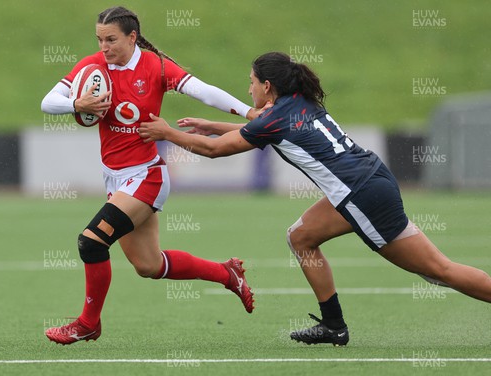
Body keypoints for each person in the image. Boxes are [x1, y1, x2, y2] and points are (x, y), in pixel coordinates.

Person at [139, 51, 491, 346]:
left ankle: (335, 325)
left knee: (437, 271)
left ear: (267, 86)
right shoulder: (297, 102)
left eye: (250, 82)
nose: (248, 89)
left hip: (361, 195)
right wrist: (213, 125)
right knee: (301, 237)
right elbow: (264, 132)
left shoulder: (275, 117)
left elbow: (217, 152)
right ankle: (334, 326)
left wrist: (168, 133)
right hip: (369, 179)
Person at [40, 6, 262, 345]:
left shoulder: (155, 66)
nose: (104, 47)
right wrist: (76, 105)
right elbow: (48, 101)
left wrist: (249, 112)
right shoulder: (93, 66)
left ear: (132, 37)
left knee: (91, 241)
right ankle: (226, 273)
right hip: (116, 180)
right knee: (148, 265)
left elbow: (202, 90)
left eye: (111, 40)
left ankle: (87, 323)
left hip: (146, 176)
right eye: (99, 40)